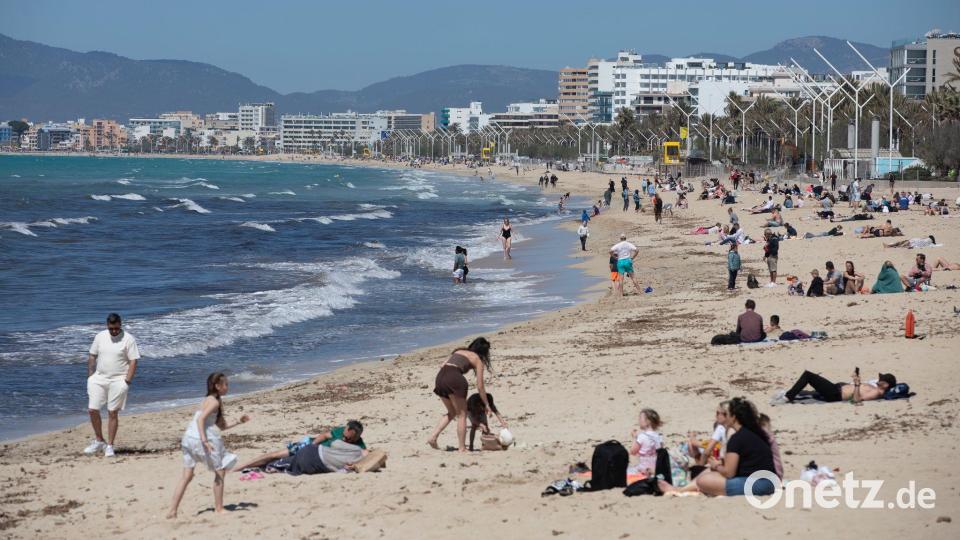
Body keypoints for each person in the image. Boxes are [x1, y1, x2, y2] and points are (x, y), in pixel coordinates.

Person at [167, 373, 249, 518]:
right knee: (220, 471)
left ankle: (172, 511)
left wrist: (239, 421)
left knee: (187, 476)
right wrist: (205, 441)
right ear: (217, 386)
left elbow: (221, 426)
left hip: (188, 438)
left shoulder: (207, 400)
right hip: (201, 440)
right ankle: (219, 509)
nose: (227, 387)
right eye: (226, 384)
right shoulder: (214, 402)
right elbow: (200, 420)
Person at [660, 398, 776, 497]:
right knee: (709, 472)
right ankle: (680, 490)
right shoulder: (752, 432)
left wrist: (716, 465)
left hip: (759, 484)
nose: (725, 417)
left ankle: (683, 490)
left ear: (733, 417)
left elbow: (729, 473)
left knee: (704, 480)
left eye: (727, 414)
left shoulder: (737, 438)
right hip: (768, 481)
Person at [428, 338, 506, 452]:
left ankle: (433, 437)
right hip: (455, 379)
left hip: (440, 378)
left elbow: (442, 365)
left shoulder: (458, 351)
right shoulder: (477, 359)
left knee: (452, 412)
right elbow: (480, 386)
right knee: (462, 415)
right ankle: (462, 448)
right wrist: (486, 404)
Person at [84, 313, 141, 457]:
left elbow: (133, 360)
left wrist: (127, 381)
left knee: (112, 412)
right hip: (99, 378)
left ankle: (109, 445)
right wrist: (90, 375)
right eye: (111, 329)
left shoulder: (128, 339)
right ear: (107, 326)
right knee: (92, 409)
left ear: (120, 324)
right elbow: (92, 355)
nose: (114, 331)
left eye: (116, 328)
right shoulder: (100, 336)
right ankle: (99, 440)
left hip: (118, 380)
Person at [778, 369, 896, 403]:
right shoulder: (875, 388)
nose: (879, 379)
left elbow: (856, 400)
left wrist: (856, 384)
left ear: (885, 385)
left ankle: (788, 397)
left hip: (835, 394)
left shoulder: (876, 392)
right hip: (837, 389)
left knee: (808, 375)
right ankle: (791, 393)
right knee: (814, 384)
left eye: (881, 379)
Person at [687, 401, 730, 466]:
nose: (716, 416)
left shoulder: (720, 428)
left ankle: (698, 464)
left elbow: (706, 451)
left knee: (691, 444)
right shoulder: (736, 428)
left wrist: (692, 436)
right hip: (728, 460)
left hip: (725, 463)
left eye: (718, 413)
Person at [628, 408, 663, 476]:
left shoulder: (641, 436)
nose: (639, 421)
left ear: (648, 421)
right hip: (656, 469)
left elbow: (633, 452)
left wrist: (635, 438)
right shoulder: (659, 436)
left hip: (643, 469)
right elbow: (661, 453)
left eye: (640, 419)